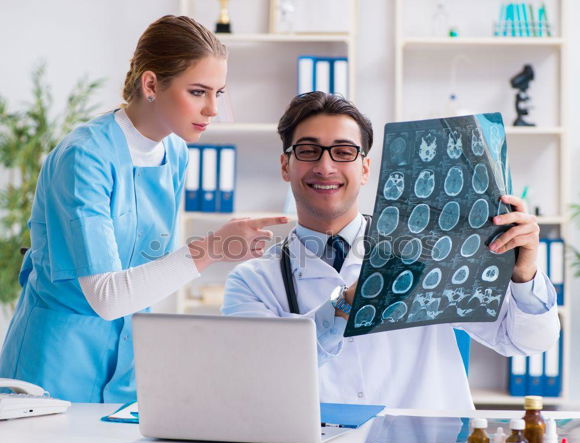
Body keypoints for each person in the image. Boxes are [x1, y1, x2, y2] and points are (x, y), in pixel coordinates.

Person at [0, 16, 287, 403]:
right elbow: (107, 296)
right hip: (55, 364)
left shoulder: (175, 151)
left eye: (219, 92)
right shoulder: (85, 156)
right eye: (199, 91)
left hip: (126, 363)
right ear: (151, 84)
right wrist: (212, 249)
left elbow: (148, 269)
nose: (213, 108)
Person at [221, 91, 560, 410]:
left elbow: (526, 342)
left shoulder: (434, 249)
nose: (325, 167)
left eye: (343, 152)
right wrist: (345, 304)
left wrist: (523, 274)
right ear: (285, 165)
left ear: (365, 168)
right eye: (308, 151)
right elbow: (258, 375)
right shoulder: (253, 282)